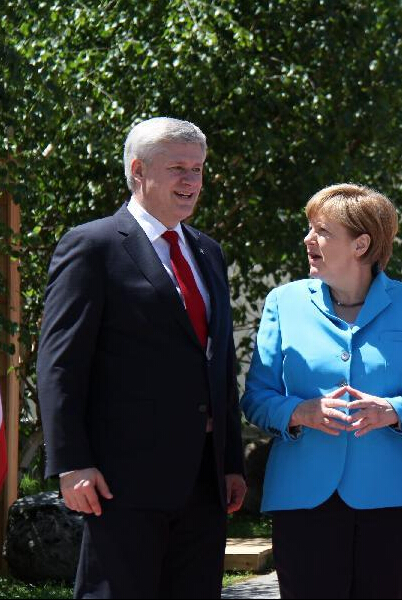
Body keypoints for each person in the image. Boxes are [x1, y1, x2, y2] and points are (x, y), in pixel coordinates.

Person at [37, 117, 246, 598]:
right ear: (138, 170)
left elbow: (218, 363)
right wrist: (71, 463)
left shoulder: (207, 252)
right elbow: (60, 363)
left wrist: (230, 461)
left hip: (203, 482)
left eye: (198, 169)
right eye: (178, 168)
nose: (192, 182)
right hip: (120, 482)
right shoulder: (93, 246)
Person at [241, 183, 402, 599]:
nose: (308, 240)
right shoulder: (283, 302)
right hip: (302, 496)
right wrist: (299, 413)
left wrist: (392, 409)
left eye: (321, 231)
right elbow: (256, 397)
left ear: (361, 244)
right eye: (309, 228)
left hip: (393, 497)